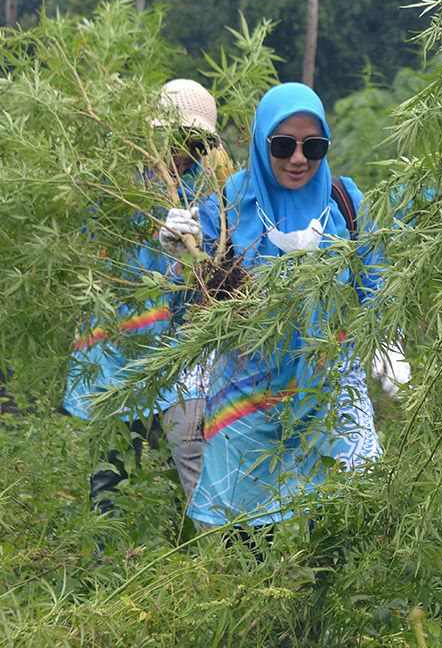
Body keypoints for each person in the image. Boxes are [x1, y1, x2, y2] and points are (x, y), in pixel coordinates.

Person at [159, 82, 403, 533]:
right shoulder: (228, 207)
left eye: (313, 146)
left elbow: (376, 285)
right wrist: (179, 256)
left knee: (348, 517)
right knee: (247, 533)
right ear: (260, 142)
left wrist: (387, 348)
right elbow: (188, 305)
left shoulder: (345, 205)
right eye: (284, 144)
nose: (298, 158)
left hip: (329, 392)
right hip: (248, 398)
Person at [63, 79, 219, 516]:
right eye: (176, 138)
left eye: (194, 142)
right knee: (109, 479)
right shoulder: (115, 184)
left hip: (175, 356)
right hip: (118, 350)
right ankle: (100, 574)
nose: (183, 150)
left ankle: (211, 572)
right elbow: (94, 247)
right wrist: (154, 232)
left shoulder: (205, 194)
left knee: (192, 470)